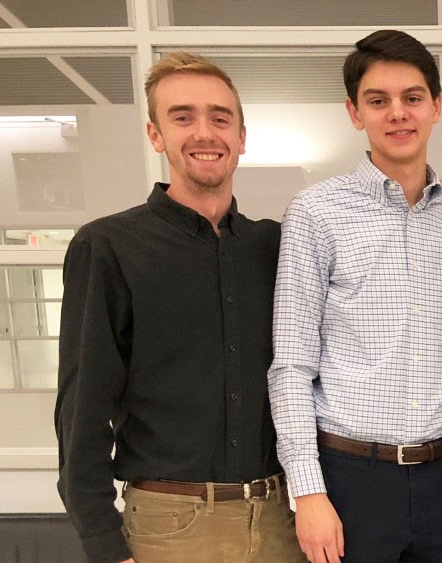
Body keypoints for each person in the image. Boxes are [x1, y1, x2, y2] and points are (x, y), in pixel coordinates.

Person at [54, 52, 305, 563]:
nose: (205, 133)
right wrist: (103, 543)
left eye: (220, 117)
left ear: (241, 136)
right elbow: (82, 409)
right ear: (155, 135)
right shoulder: (108, 246)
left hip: (281, 519)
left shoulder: (277, 247)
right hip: (169, 527)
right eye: (182, 117)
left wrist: (441, 195)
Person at [267, 30, 442, 563]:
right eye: (378, 101)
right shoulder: (316, 212)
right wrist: (309, 491)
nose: (398, 114)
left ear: (436, 106)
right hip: (350, 480)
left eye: (412, 98)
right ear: (353, 111)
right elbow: (291, 365)